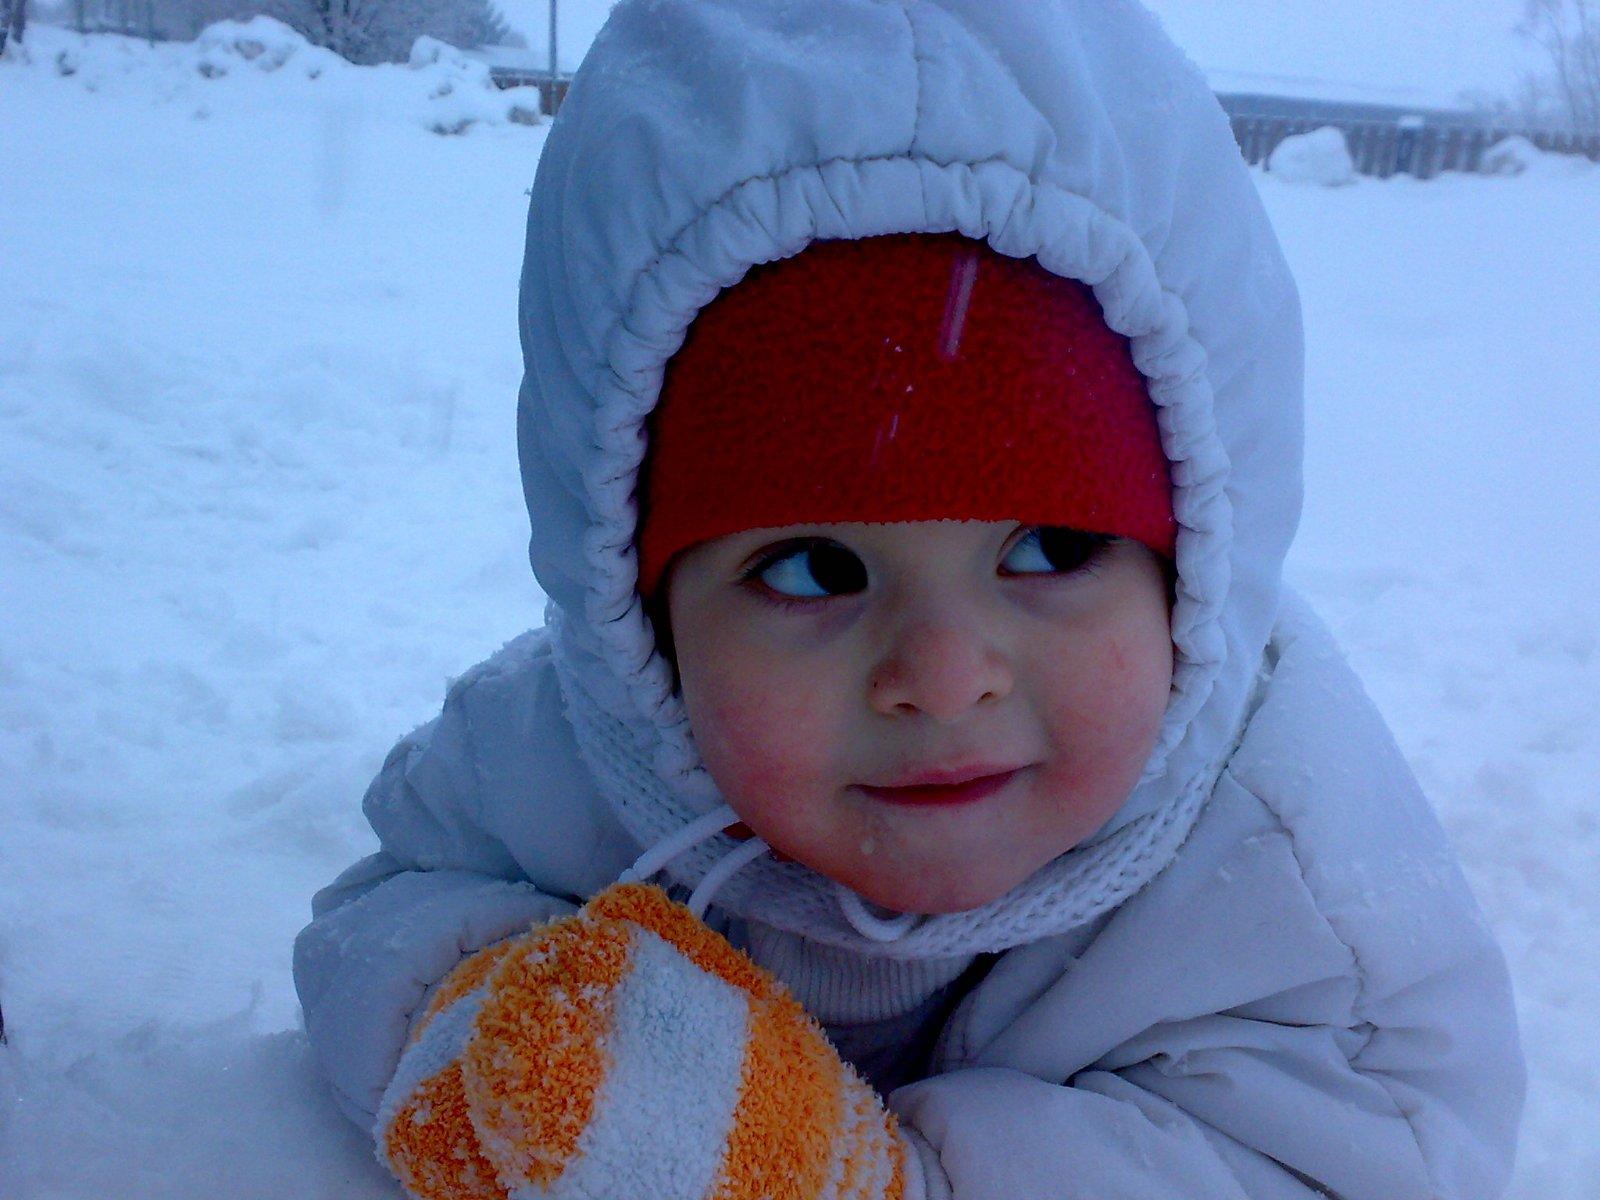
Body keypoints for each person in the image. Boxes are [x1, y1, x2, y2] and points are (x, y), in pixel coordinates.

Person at [293, 2, 1525, 1197]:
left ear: (1192, 576)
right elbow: (383, 925)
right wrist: (484, 1032)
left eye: (1050, 549)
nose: (941, 677)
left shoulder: (1280, 878)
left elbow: (1357, 1157)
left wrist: (880, 1182)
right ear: (640, 613)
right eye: (812, 569)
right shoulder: (552, 762)